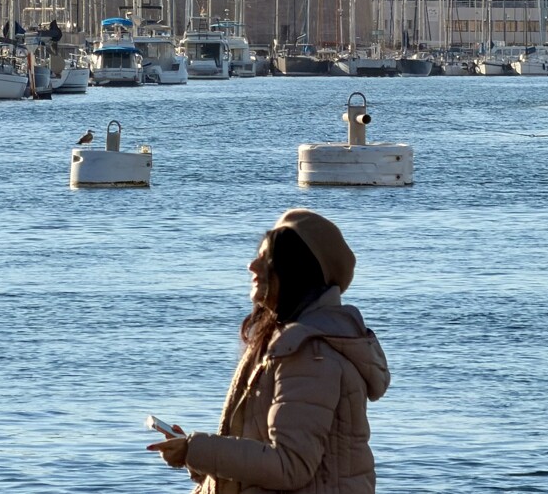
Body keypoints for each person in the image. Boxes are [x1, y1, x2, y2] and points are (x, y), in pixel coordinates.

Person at [149, 208, 389, 494]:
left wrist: (196, 449)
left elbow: (290, 466)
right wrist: (191, 451)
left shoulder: (310, 354)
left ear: (295, 269)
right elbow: (263, 459)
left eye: (265, 259)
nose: (251, 266)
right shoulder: (290, 343)